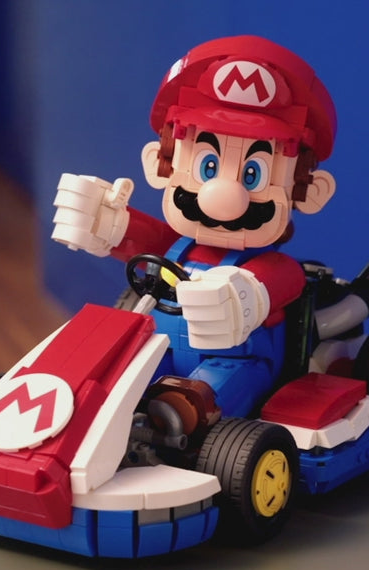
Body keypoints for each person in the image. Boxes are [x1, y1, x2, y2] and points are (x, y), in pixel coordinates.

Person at [52, 35, 339, 426]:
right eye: (208, 167)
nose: (224, 195)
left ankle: (172, 425)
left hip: (238, 361)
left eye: (253, 175)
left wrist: (241, 296)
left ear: (308, 191)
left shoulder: (275, 268)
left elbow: (275, 284)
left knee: (191, 404)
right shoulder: (177, 247)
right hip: (160, 348)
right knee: (112, 380)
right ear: (160, 164)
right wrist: (104, 221)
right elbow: (143, 241)